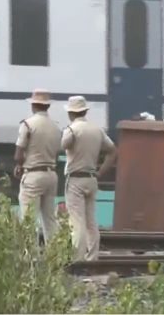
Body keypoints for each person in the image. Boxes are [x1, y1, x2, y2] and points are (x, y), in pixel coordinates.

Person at [61, 95, 118, 261]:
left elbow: (63, 145)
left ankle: (77, 258)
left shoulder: (71, 130)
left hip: (75, 179)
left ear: (71, 113)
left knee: (77, 221)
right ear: (85, 111)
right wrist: (101, 172)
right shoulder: (97, 130)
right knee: (91, 221)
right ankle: (92, 256)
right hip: (92, 178)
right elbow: (113, 151)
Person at [13, 88, 62, 242]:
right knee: (49, 220)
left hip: (33, 175)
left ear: (33, 105)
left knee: (29, 220)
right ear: (47, 106)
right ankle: (54, 256)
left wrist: (19, 165)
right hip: (51, 175)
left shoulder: (27, 125)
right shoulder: (56, 126)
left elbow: (18, 154)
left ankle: (30, 259)